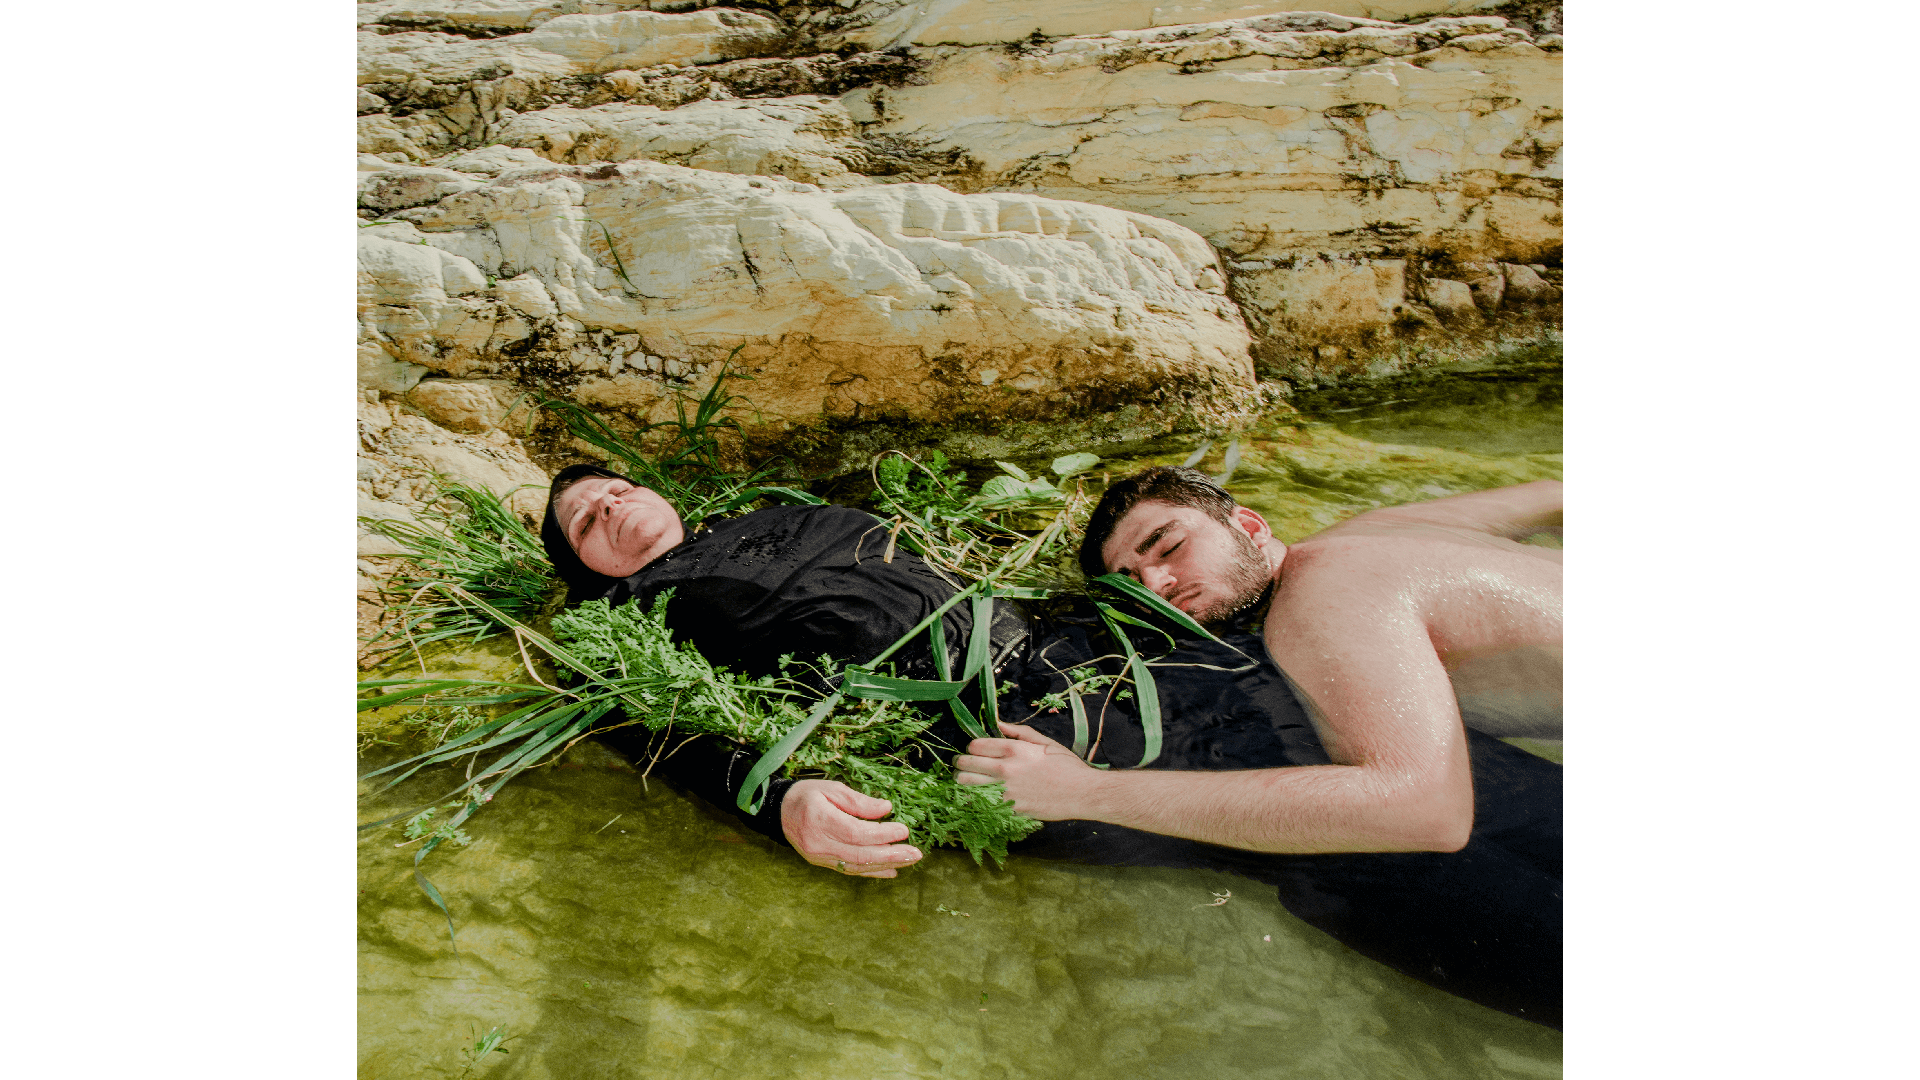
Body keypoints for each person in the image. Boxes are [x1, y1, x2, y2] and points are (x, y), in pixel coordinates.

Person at [541, 463, 1563, 1029]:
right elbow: (643, 721)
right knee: (1341, 857)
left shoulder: (793, 508)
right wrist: (782, 798)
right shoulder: (619, 619)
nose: (612, 507)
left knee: (1427, 768)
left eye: (616, 488)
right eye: (586, 520)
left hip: (1143, 661)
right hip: (1018, 731)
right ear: (585, 570)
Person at [951, 466, 1562, 856]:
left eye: (1169, 546)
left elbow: (1425, 810)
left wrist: (1086, 792)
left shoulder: (1320, 602)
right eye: (1132, 580)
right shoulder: (1383, 528)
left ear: (1248, 524)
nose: (1158, 582)